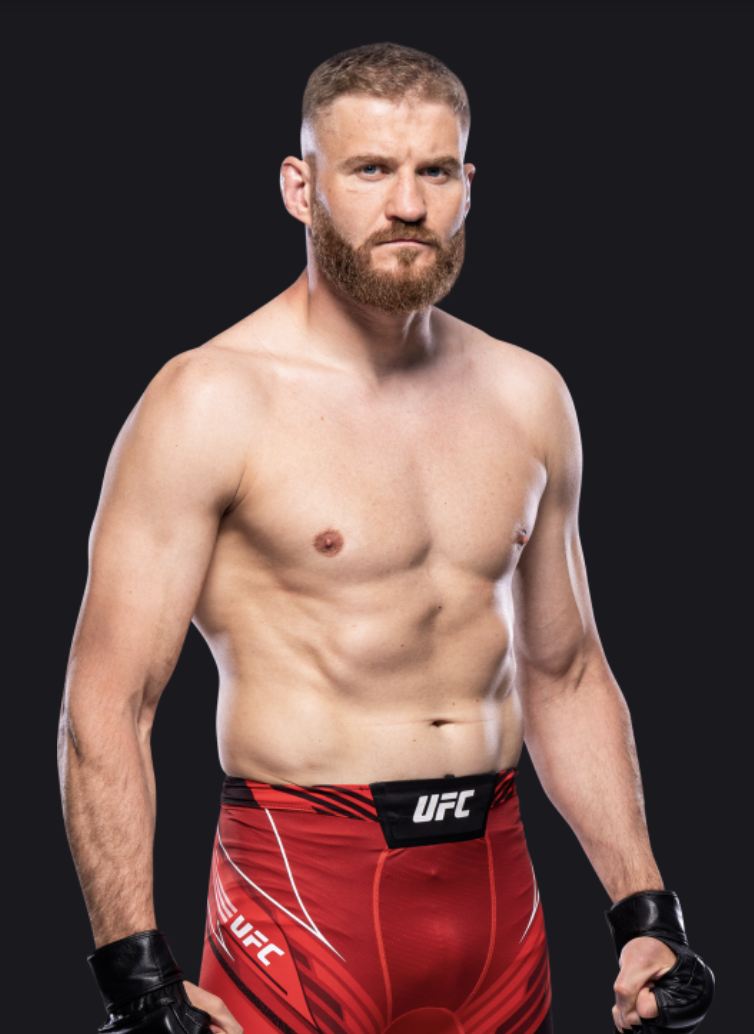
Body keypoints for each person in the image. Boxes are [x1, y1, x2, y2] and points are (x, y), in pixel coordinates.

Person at [59, 43, 714, 1034]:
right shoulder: (210, 400)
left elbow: (565, 671)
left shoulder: (528, 393)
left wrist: (646, 912)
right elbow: (107, 704)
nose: (407, 204)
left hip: (497, 899)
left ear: (467, 185)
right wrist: (134, 970)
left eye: (434, 171)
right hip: (302, 892)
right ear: (301, 187)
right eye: (370, 169)